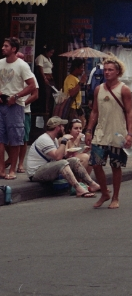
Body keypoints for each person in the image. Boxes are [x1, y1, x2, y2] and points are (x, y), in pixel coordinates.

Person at [85, 57, 132, 210]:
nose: (107, 72)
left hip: (117, 134)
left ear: (118, 72)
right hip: (100, 133)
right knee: (95, 163)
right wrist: (88, 130)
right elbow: (94, 111)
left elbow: (130, 112)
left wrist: (130, 134)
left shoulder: (124, 89)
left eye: (110, 70)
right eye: (105, 70)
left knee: (116, 166)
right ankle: (105, 192)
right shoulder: (99, 89)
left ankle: (115, 197)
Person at [25, 116, 100, 197]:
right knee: (63, 163)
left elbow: (60, 157)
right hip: (36, 173)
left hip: (47, 167)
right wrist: (64, 140)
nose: (63, 128)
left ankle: (92, 184)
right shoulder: (44, 139)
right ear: (57, 128)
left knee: (74, 160)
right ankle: (79, 189)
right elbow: (57, 157)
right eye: (62, 126)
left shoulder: (54, 140)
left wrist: (68, 155)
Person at [0, 37, 37, 180]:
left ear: (14, 49)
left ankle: (13, 170)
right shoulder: (0, 63)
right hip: (2, 104)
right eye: (3, 46)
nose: (3, 48)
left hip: (15, 106)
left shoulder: (22, 65)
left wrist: (15, 96)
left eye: (6, 46)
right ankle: (2, 169)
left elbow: (32, 85)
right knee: (1, 139)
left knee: (15, 139)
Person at [34, 44, 54, 115]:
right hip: (44, 78)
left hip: (50, 78)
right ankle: (44, 111)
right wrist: (44, 78)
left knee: (50, 95)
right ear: (46, 51)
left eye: (52, 53)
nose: (51, 54)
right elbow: (40, 68)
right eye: (50, 52)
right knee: (45, 94)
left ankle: (49, 110)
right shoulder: (40, 57)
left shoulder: (49, 59)